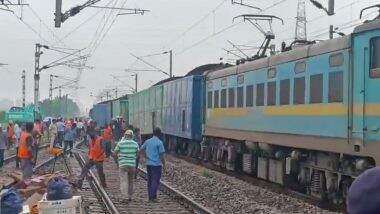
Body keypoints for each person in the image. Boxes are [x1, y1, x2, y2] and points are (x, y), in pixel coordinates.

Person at [139, 127, 166, 202]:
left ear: (153, 133)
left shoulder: (148, 141)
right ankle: (153, 197)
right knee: (155, 180)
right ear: (159, 134)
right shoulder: (159, 142)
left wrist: (145, 156)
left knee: (150, 180)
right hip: (157, 165)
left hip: (149, 164)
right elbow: (161, 155)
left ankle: (150, 196)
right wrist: (164, 164)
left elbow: (140, 149)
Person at [113, 130, 139, 202]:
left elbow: (115, 153)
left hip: (123, 164)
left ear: (125, 136)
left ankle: (125, 197)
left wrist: (117, 161)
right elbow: (137, 154)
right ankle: (130, 196)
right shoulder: (135, 144)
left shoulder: (120, 143)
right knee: (131, 181)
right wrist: (133, 159)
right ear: (132, 136)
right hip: (132, 165)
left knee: (124, 181)